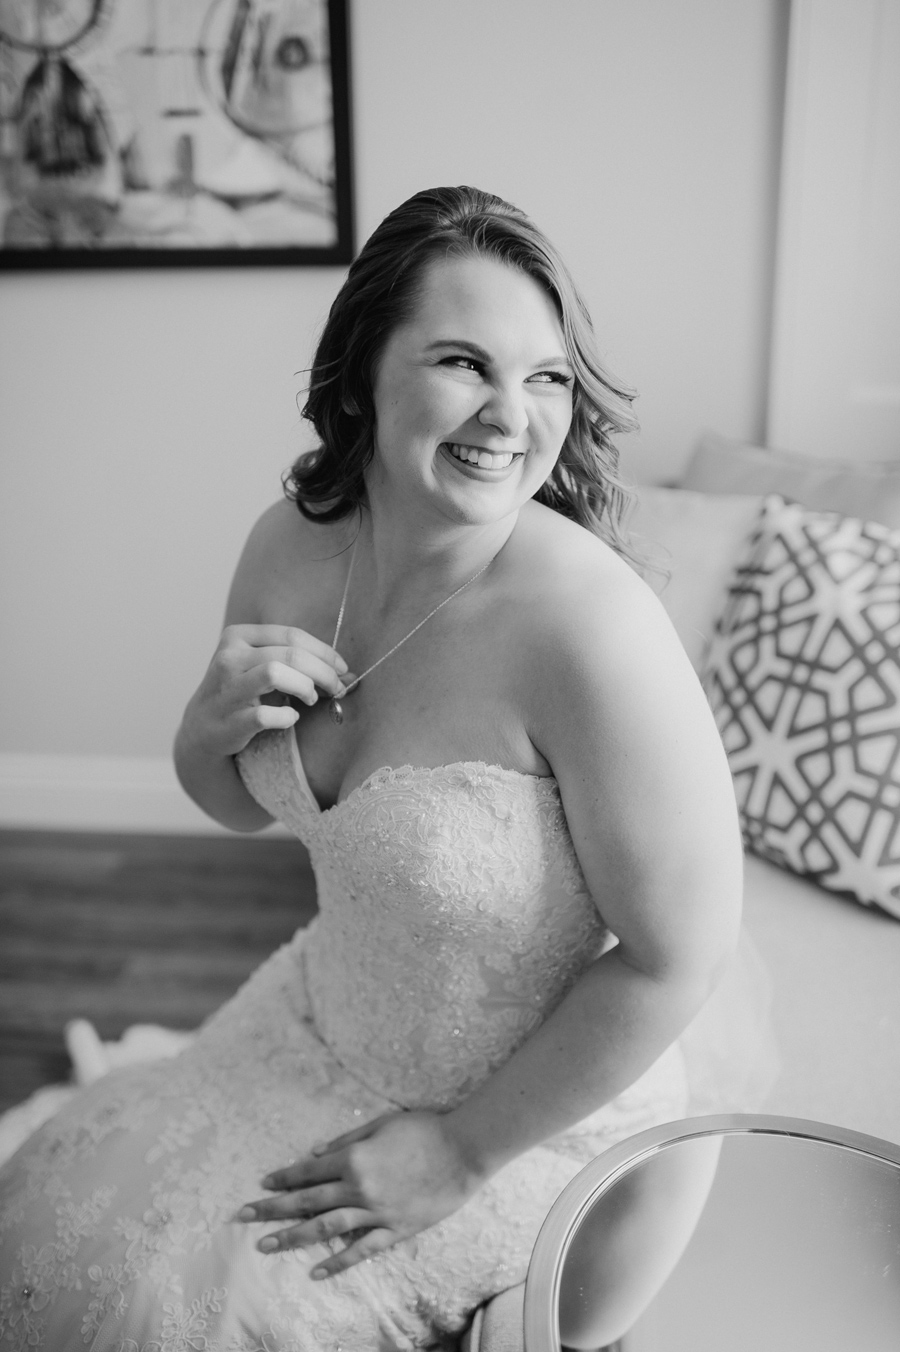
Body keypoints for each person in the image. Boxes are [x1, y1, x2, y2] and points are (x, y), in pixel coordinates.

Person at [0, 186, 773, 1351]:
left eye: (547, 376)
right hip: (318, 1018)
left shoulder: (592, 632)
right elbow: (240, 805)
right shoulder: (294, 544)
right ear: (363, 373)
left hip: (524, 1109)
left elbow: (682, 958)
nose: (512, 416)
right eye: (464, 362)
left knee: (194, 1316)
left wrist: (456, 1149)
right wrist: (205, 724)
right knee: (71, 1207)